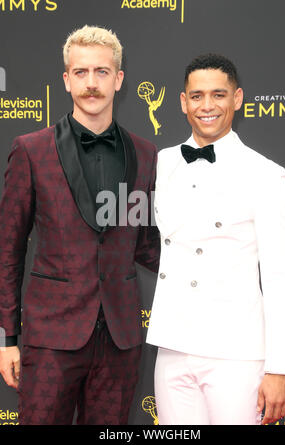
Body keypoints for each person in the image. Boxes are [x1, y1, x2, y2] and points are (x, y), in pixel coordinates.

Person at [0, 25, 160, 425]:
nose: (92, 83)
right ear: (67, 80)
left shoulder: (145, 152)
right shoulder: (31, 150)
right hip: (51, 338)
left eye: (102, 72)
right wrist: (7, 339)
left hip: (121, 340)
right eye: (82, 72)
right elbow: (7, 250)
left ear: (119, 79)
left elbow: (145, 243)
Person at [146, 54, 285, 425]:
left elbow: (279, 278)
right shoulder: (163, 163)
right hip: (172, 346)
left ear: (238, 98)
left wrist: (280, 367)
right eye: (196, 96)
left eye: (218, 94)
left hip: (236, 351)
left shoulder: (266, 174)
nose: (207, 106)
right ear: (183, 102)